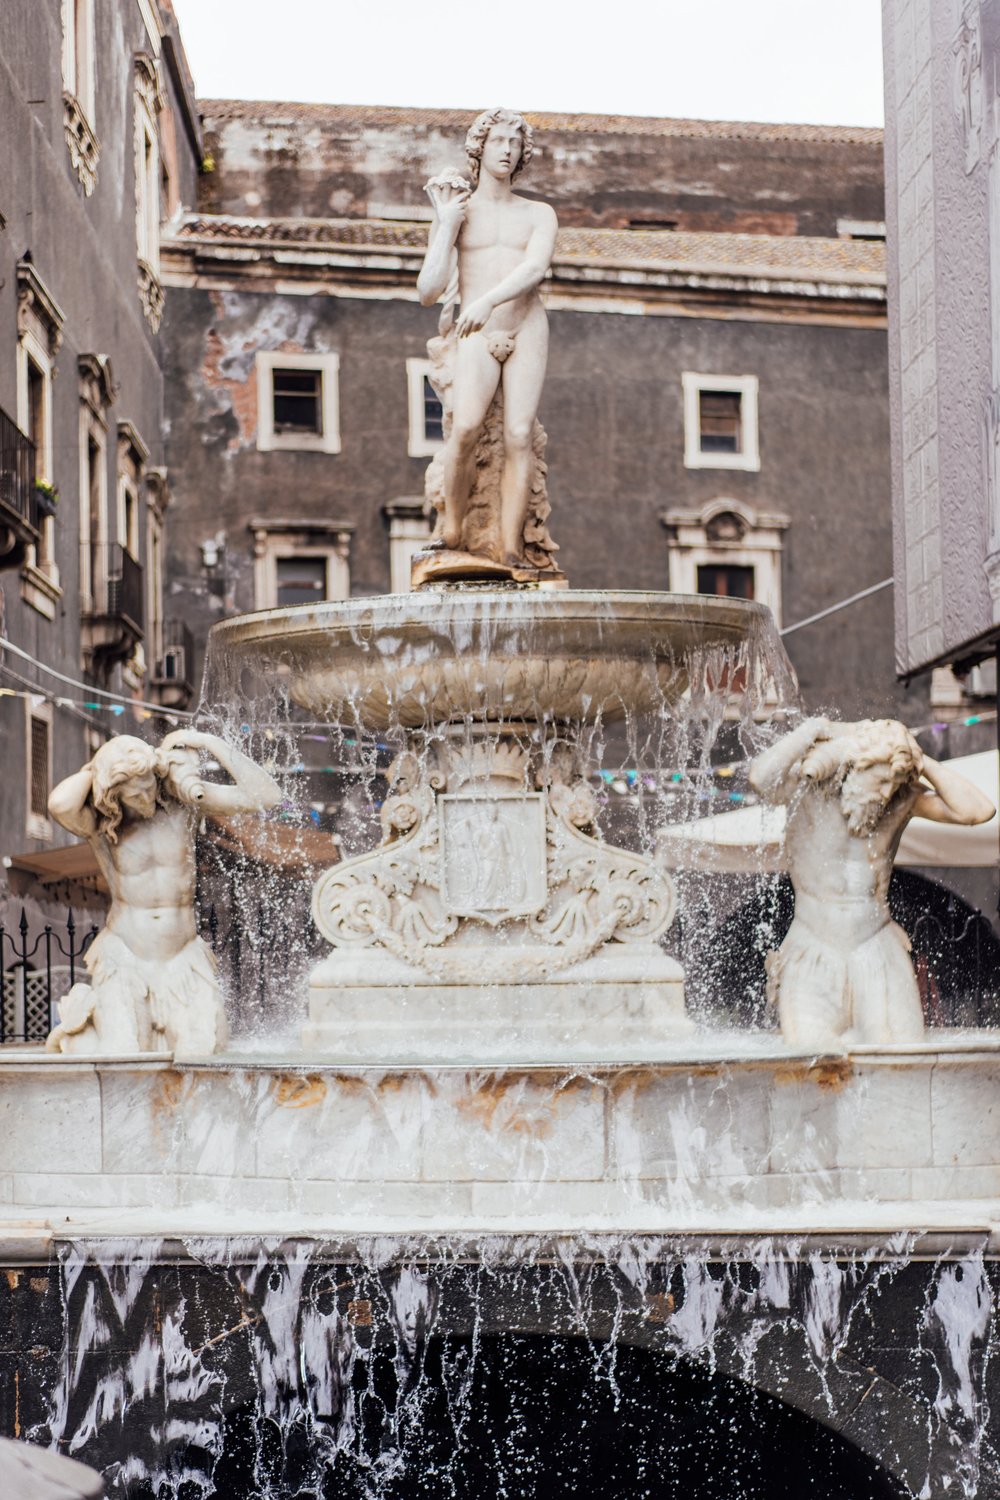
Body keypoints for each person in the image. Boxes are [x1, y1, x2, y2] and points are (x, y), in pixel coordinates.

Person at [749, 717, 995, 1048]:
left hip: (877, 946)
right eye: (878, 782)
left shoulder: (900, 798)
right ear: (855, 767)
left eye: (891, 786)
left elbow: (977, 811)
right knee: (810, 1066)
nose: (883, 794)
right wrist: (811, 731)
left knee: (901, 1059)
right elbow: (759, 778)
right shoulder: (804, 791)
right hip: (814, 946)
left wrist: (920, 760)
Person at [45, 730, 282, 1056]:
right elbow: (59, 804)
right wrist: (98, 766)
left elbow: (267, 795)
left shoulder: (183, 804)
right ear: (114, 796)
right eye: (133, 796)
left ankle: (83, 1031)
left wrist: (207, 743)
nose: (144, 801)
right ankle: (78, 1034)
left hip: (182, 958)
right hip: (125, 956)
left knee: (206, 1052)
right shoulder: (102, 824)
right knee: (124, 1053)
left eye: (148, 788)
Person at [417, 107, 558, 567]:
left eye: (515, 144)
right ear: (479, 148)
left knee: (519, 435)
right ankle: (453, 530)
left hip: (523, 325)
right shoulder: (459, 211)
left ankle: (511, 546)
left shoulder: (539, 214)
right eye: (498, 141)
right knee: (466, 428)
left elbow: (534, 269)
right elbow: (428, 290)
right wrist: (445, 226)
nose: (507, 150)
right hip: (475, 334)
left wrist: (487, 301)